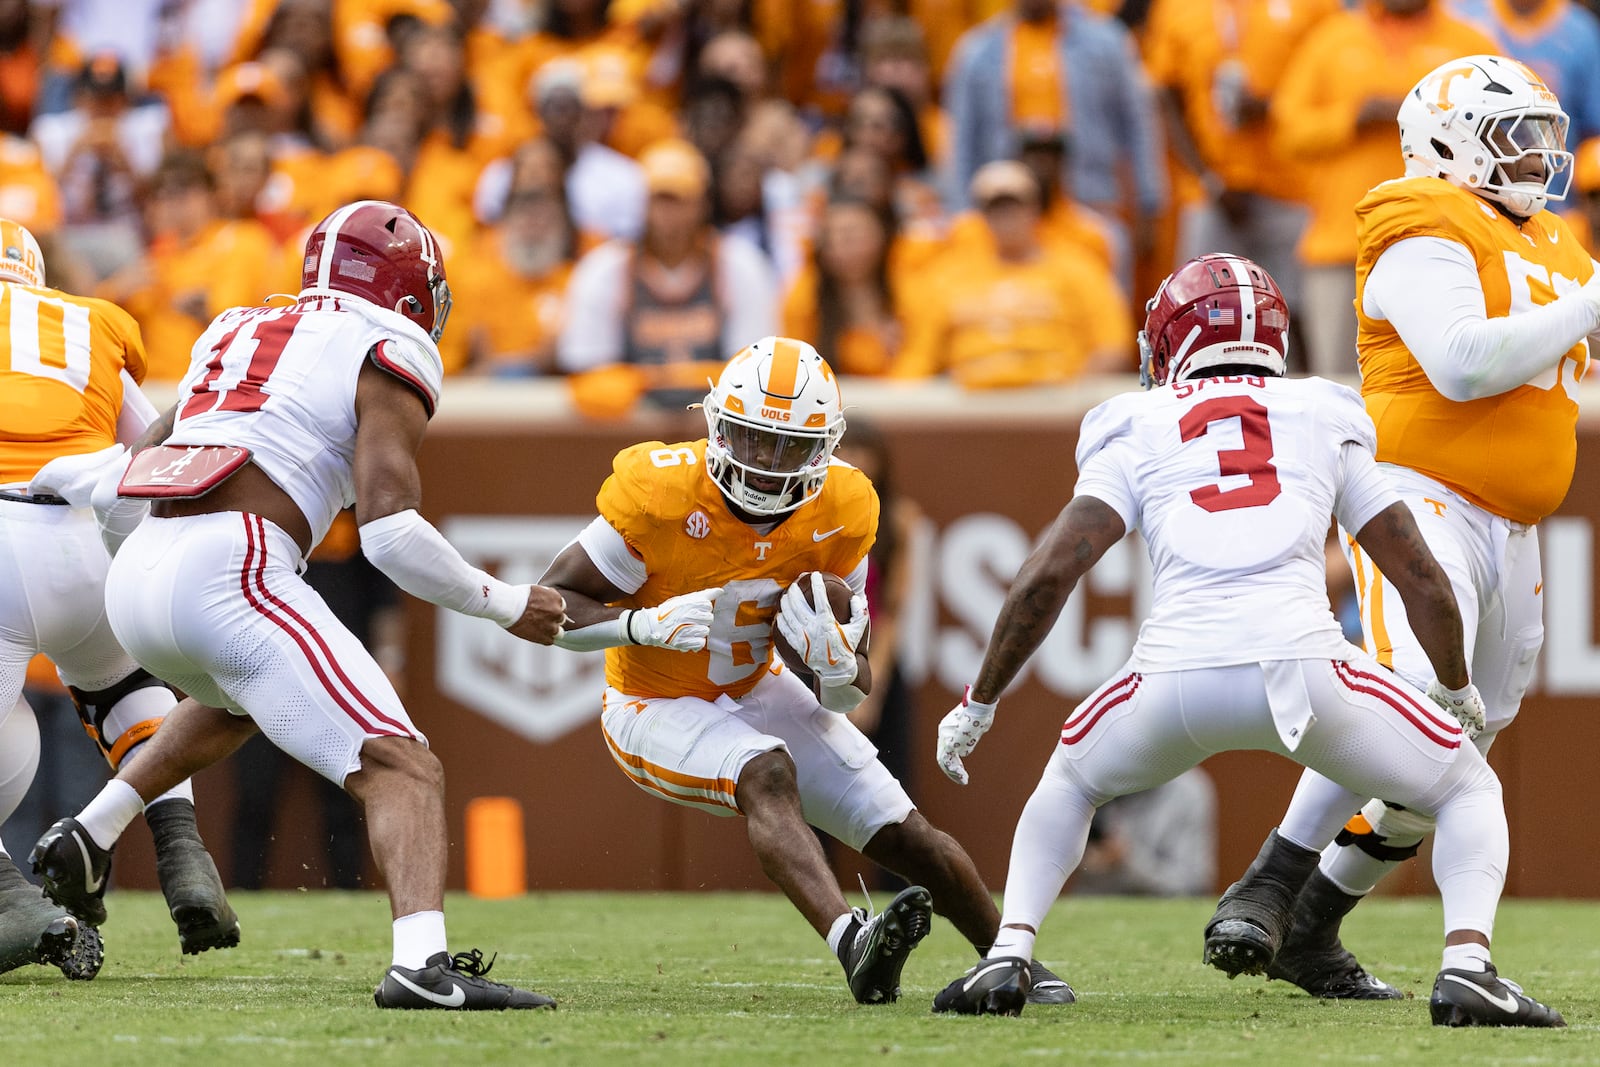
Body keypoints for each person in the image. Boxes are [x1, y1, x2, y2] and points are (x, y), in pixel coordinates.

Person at [929, 252, 1564, 1028]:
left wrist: (979, 700)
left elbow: (1046, 576)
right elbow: (1420, 574)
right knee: (1468, 785)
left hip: (1167, 680)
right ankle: (1466, 965)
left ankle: (1010, 951)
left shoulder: (1133, 420)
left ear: (1173, 339)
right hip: (1303, 671)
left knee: (1069, 782)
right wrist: (1459, 688)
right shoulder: (1322, 411)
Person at [27, 199, 570, 1011]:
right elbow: (389, 533)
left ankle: (89, 832)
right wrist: (504, 601)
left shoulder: (237, 325)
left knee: (247, 697)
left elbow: (131, 472)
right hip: (235, 564)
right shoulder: (391, 342)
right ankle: (422, 965)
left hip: (141, 565)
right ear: (405, 286)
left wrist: (136, 565)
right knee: (404, 765)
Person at [1213, 54, 1600, 1000]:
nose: (1538, 156)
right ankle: (1271, 877)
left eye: (1547, 136)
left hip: (1514, 522)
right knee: (1419, 694)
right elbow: (1463, 363)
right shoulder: (1418, 220)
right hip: (1419, 492)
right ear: (1448, 142)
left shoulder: (1556, 241)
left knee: (1459, 741)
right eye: (1516, 136)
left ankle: (1316, 917)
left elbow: (1570, 369)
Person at [538, 336, 1072, 1007]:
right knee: (766, 768)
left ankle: (1010, 958)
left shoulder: (844, 506)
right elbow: (551, 605)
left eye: (788, 446)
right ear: (719, 427)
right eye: (754, 440)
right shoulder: (662, 489)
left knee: (908, 834)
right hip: (651, 700)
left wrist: (837, 662)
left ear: (825, 448)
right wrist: (639, 624)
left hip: (755, 683)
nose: (766, 464)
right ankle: (853, 941)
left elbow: (852, 685)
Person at [1, 215, 236, 975]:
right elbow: (156, 443)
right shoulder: (87, 323)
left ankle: (16, 901)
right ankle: (182, 847)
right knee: (122, 686)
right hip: (87, 534)